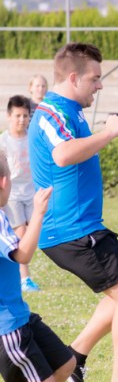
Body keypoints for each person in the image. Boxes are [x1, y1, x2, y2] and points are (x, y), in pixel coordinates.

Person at [28, 42, 118, 382]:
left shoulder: (67, 109)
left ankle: (76, 358)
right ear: (73, 77)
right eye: (95, 78)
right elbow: (63, 154)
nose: (99, 86)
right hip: (73, 231)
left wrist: (99, 131)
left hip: (79, 228)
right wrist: (110, 133)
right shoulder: (54, 111)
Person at [0, 155, 75, 382]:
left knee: (66, 363)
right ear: (4, 182)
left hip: (22, 316)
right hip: (10, 327)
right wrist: (39, 212)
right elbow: (23, 255)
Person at [1, 96, 41, 292]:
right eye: (17, 116)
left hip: (32, 193)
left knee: (37, 230)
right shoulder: (3, 141)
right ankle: (25, 279)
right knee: (21, 234)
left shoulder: (33, 138)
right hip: (13, 194)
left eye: (25, 116)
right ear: (9, 116)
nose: (21, 120)